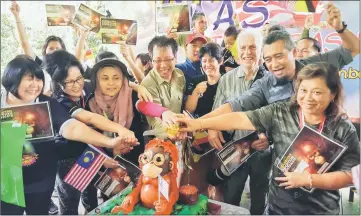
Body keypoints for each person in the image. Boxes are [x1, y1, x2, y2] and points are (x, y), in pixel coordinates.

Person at [176, 62, 360, 215]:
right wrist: (198, 124)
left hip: (322, 210)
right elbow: (242, 118)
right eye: (303, 90)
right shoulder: (281, 112)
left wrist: (310, 180)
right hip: (279, 208)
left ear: (333, 94)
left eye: (317, 92)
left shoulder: (343, 128)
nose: (308, 98)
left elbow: (351, 175)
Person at [0, 55, 129, 215]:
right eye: (29, 79)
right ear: (12, 78)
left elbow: (72, 128)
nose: (35, 85)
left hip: (41, 179)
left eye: (39, 80)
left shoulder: (46, 103)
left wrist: (109, 142)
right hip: (6, 180)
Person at [42, 50, 138, 214]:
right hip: (69, 161)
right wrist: (120, 130)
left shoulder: (85, 88)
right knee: (70, 203)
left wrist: (138, 86)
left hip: (89, 153)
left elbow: (116, 81)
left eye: (79, 78)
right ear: (59, 84)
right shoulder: (60, 101)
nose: (77, 84)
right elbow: (89, 118)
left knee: (92, 198)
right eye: (69, 82)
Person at [208, 29, 270, 214]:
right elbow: (217, 111)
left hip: (262, 151)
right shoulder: (227, 79)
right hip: (234, 149)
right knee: (231, 195)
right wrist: (212, 129)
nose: (247, 52)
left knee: (260, 196)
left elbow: (279, 117)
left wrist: (270, 138)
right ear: (236, 53)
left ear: (261, 51)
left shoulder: (270, 79)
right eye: (243, 47)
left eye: (253, 47)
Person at [87, 51, 146, 165]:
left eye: (116, 78)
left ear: (123, 79)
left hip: (137, 162)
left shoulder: (133, 95)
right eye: (105, 78)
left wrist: (164, 113)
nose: (111, 83)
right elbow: (90, 138)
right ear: (97, 81)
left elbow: (146, 107)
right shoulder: (90, 103)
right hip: (107, 165)